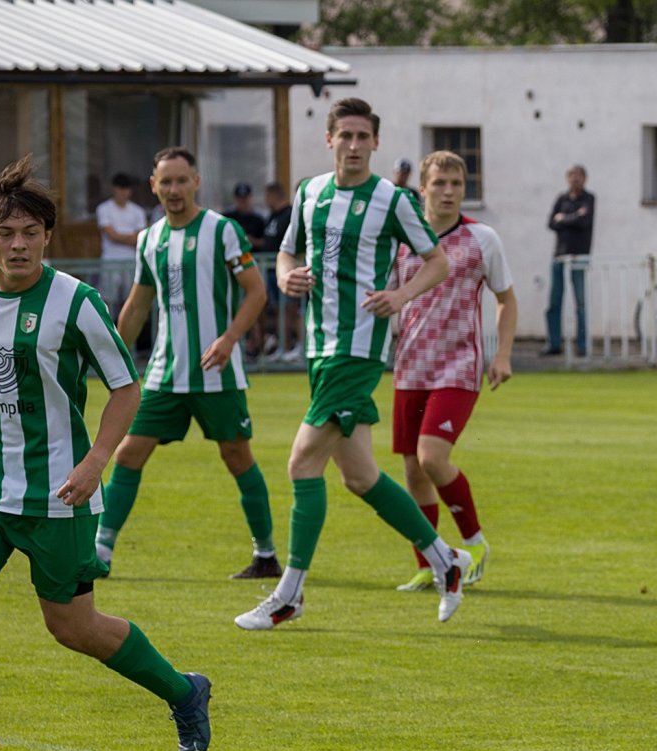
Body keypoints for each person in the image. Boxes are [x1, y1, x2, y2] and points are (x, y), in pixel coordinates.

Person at [0, 157, 212, 751]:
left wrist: (96, 462)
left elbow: (126, 386)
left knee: (72, 628)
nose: (18, 244)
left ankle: (183, 691)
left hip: (60, 493)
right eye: (6, 233)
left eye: (31, 233)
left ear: (47, 237)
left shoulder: (77, 302)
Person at [235, 97, 467, 631]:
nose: (355, 145)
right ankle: (445, 560)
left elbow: (438, 261)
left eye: (364, 137)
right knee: (360, 477)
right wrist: (286, 275)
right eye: (346, 135)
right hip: (320, 348)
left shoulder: (391, 199)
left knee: (301, 464)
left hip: (358, 347)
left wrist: (400, 294)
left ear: (376, 143)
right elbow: (288, 252)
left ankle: (290, 594)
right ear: (330, 139)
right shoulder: (310, 192)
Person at [94, 146, 276, 581]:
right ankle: (100, 553)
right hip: (165, 373)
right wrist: (113, 358)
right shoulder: (149, 238)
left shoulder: (222, 230)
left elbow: (256, 292)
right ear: (153, 186)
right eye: (166, 182)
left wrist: (229, 339)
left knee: (237, 456)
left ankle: (266, 555)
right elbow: (138, 304)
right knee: (129, 454)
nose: (174, 190)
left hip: (216, 372)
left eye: (181, 180)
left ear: (197, 182)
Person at [391, 150, 516, 592]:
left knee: (431, 457)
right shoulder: (402, 238)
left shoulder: (482, 238)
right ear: (422, 188)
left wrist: (502, 355)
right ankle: (430, 563)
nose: (448, 192)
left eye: (456, 184)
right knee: (413, 470)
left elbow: (506, 299)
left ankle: (474, 544)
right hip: (409, 367)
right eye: (439, 184)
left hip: (458, 367)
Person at [544, 164, 593, 357]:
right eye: (572, 175)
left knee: (580, 304)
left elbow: (584, 222)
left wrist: (563, 219)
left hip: (579, 257)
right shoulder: (561, 199)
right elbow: (551, 223)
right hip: (559, 256)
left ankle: (582, 345)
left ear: (584, 178)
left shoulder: (589, 199)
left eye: (579, 175)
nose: (575, 179)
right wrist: (573, 217)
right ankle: (554, 344)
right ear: (567, 178)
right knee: (554, 302)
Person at [259, 181, 302, 361]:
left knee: (291, 309)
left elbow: (291, 247)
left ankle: (298, 346)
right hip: (272, 270)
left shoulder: (289, 215)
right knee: (278, 309)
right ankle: (283, 347)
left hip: (287, 270)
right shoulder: (272, 216)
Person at [95, 173, 148, 313]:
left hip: (132, 261)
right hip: (110, 261)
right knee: (107, 300)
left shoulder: (138, 211)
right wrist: (131, 237)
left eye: (126, 188)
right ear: (114, 189)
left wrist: (120, 236)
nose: (123, 192)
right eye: (121, 188)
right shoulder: (104, 209)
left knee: (131, 299)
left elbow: (140, 238)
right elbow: (111, 235)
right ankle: (108, 325)